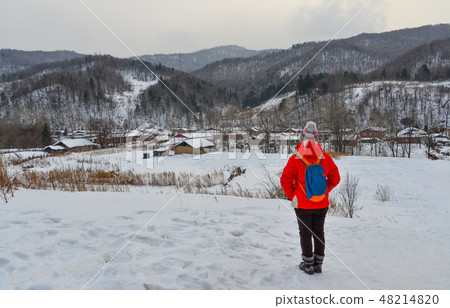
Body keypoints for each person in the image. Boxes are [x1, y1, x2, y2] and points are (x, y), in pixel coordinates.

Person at [280, 121, 340, 275]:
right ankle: (318, 264)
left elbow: (285, 180)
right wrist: (325, 190)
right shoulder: (326, 158)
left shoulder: (295, 159)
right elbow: (336, 178)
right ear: (318, 138)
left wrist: (293, 195)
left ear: (302, 137)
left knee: (305, 233)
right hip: (322, 202)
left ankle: (308, 265)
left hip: (302, 204)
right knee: (319, 232)